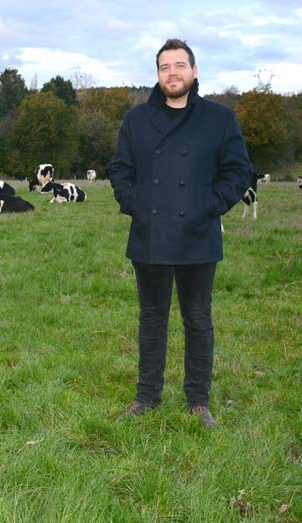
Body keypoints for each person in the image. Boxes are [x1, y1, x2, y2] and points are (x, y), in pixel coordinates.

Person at [107, 38, 251, 428]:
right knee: (152, 318)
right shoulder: (136, 120)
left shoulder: (219, 119)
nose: (173, 73)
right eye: (165, 67)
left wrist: (210, 205)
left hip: (198, 234)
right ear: (157, 75)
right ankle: (147, 397)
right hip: (150, 234)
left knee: (198, 318)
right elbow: (119, 170)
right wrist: (135, 203)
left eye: (180, 65)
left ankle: (198, 401)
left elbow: (239, 173)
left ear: (194, 71)